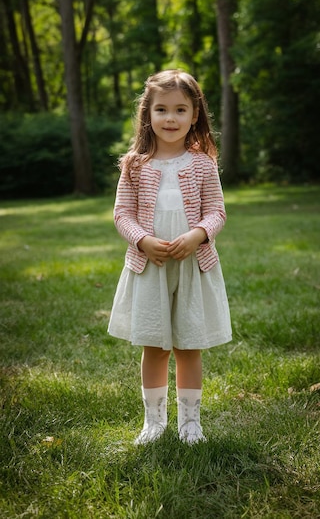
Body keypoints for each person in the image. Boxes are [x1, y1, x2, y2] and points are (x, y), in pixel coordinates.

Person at [108, 69, 232, 445]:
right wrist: (142, 239)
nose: (171, 118)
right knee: (155, 346)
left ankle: (190, 423)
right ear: (147, 114)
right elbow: (122, 213)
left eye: (181, 110)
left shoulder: (203, 163)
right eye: (161, 109)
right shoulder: (135, 164)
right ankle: (154, 422)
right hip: (151, 266)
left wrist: (198, 234)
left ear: (195, 115)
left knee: (188, 344)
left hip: (193, 266)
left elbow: (217, 211)